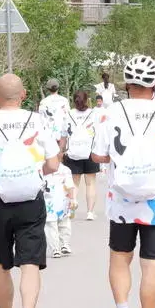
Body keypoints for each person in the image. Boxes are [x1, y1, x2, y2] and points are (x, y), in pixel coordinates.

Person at [92, 55, 155, 308]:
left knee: (119, 258)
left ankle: (122, 305)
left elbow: (98, 155)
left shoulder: (110, 113)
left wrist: (120, 158)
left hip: (121, 200)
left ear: (126, 84)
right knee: (151, 264)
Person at [0, 74, 61, 308]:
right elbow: (53, 164)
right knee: (30, 264)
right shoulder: (37, 120)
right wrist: (37, 173)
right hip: (31, 199)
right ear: (23, 95)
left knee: (1, 264)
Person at [64, 90, 100, 221]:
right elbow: (98, 131)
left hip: (73, 151)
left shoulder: (69, 114)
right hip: (90, 151)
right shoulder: (93, 113)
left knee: (74, 182)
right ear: (87, 100)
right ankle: (90, 212)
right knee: (90, 183)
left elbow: (64, 132)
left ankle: (72, 204)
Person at [43, 161, 76, 258]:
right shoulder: (41, 169)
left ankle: (65, 244)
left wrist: (72, 199)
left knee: (64, 224)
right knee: (51, 225)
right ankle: (55, 248)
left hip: (63, 201)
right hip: (48, 203)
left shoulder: (64, 170)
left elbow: (70, 185)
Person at [39, 79, 71, 148]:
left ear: (48, 89)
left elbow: (41, 120)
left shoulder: (43, 102)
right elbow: (68, 116)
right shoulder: (64, 100)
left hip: (50, 135)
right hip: (63, 134)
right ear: (58, 87)